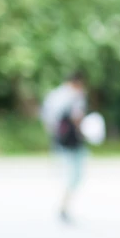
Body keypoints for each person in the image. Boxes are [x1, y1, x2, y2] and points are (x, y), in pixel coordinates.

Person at [40, 72, 88, 223]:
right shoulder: (75, 96)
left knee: (67, 173)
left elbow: (47, 119)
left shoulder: (54, 95)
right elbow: (77, 118)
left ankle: (64, 205)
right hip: (73, 141)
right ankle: (64, 206)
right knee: (74, 175)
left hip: (60, 140)